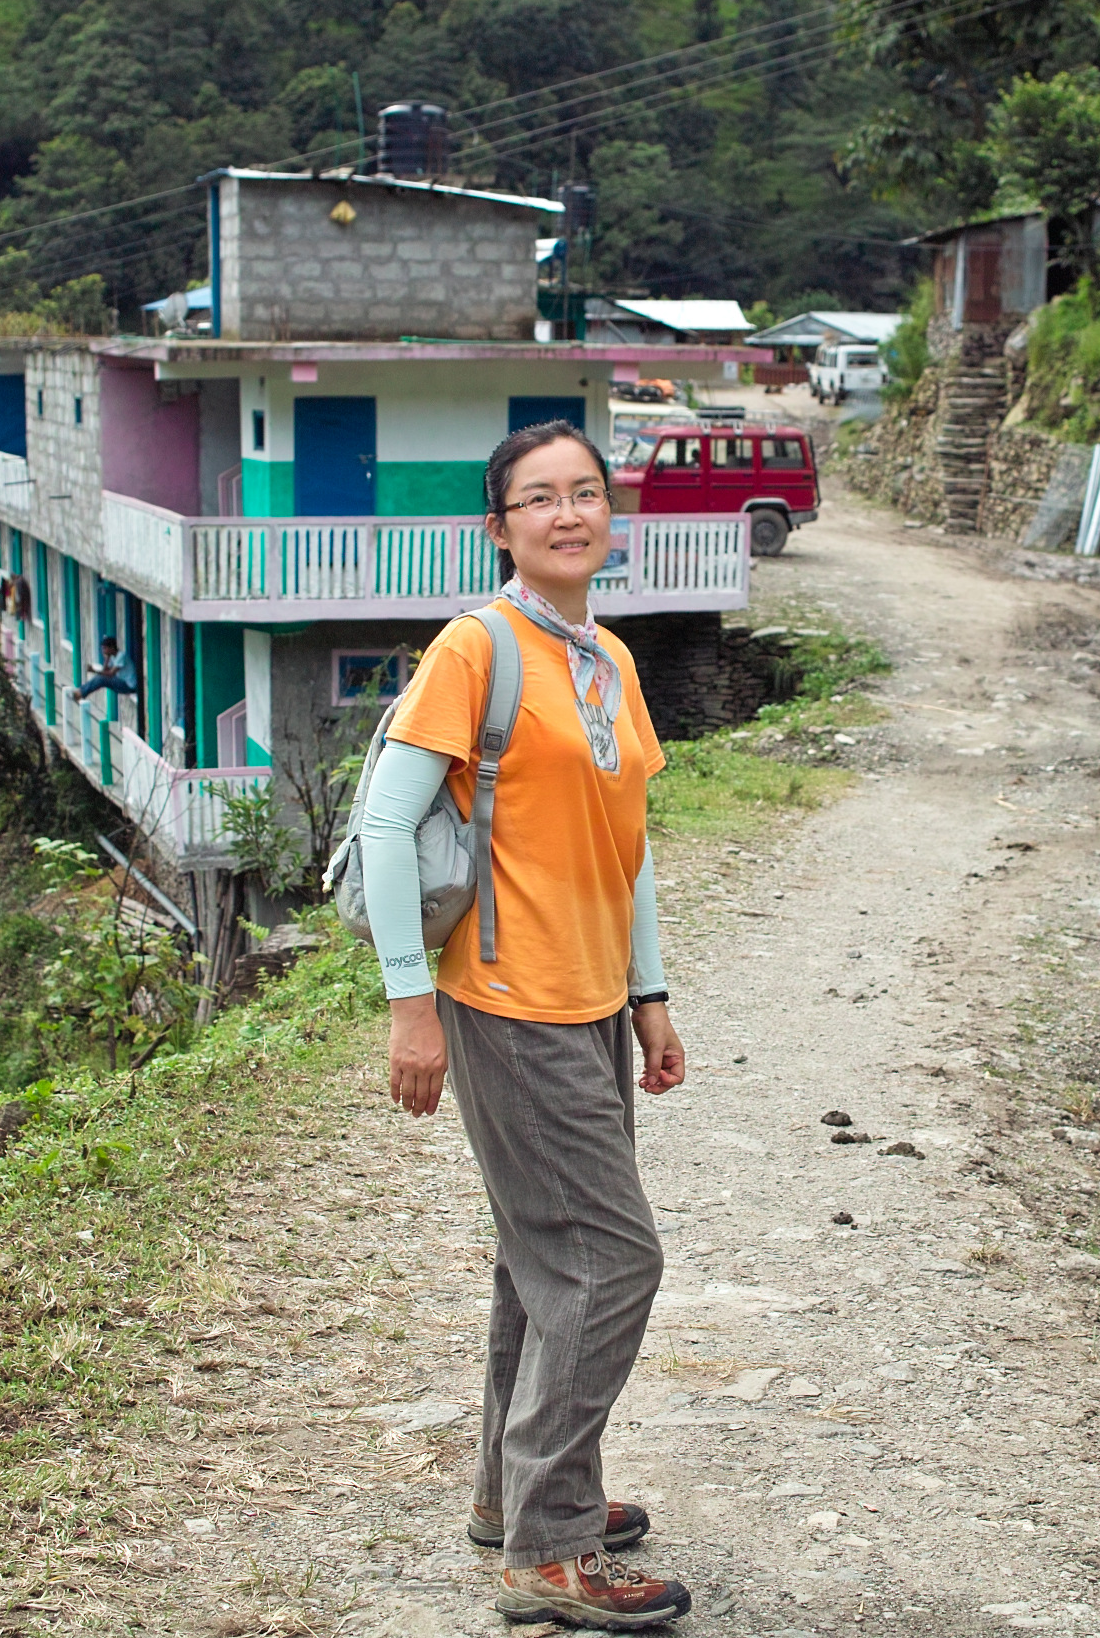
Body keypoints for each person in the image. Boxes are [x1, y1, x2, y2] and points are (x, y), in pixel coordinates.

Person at [358, 420, 692, 1631]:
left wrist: (649, 994)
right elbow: (386, 824)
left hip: (591, 999)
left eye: (585, 492)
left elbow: (626, 847)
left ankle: (517, 1494)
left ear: (609, 512)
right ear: (498, 526)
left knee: (545, 1257)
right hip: (507, 1002)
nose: (567, 513)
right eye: (539, 498)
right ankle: (550, 1549)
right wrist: (411, 1002)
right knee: (613, 1257)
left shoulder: (608, 657)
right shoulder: (477, 646)